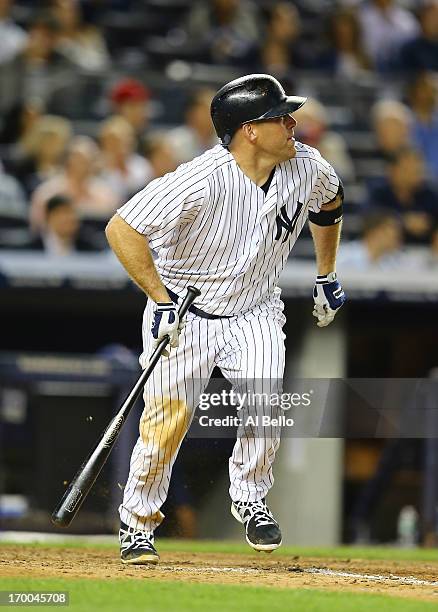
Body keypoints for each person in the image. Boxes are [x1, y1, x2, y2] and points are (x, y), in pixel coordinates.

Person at [105, 74, 346, 565]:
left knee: (264, 401)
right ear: (250, 130)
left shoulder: (306, 165)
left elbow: (331, 203)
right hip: (185, 311)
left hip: (253, 306)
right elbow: (122, 228)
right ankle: (138, 523)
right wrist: (160, 298)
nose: (291, 122)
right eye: (280, 116)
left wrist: (326, 274)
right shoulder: (199, 179)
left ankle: (251, 498)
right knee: (167, 421)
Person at [366, 148, 438, 244]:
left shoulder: (429, 195)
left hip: (425, 251)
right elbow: (370, 216)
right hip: (386, 250)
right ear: (392, 170)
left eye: (417, 170)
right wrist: (403, 221)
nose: (414, 174)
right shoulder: (379, 192)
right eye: (408, 169)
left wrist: (427, 224)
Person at [29, 194, 98, 255]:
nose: (68, 218)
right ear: (48, 217)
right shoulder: (31, 248)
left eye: (71, 213)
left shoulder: (88, 247)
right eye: (61, 213)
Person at [167, 88, 218, 164]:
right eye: (206, 109)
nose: (214, 114)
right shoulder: (175, 141)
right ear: (192, 114)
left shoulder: (223, 141)